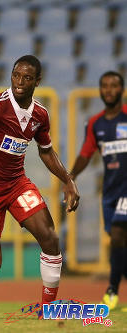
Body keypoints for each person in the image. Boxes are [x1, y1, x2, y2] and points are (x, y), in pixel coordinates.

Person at [0, 55, 80, 310]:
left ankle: (48, 309)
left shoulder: (40, 114)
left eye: (27, 77)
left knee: (50, 238)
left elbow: (45, 151)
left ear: (37, 81)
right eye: (16, 75)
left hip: (16, 184)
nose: (19, 82)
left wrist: (69, 180)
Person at [69, 71, 127, 310]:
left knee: (117, 234)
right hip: (110, 192)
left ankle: (112, 288)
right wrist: (69, 178)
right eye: (104, 86)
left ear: (122, 89)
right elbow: (86, 154)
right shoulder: (95, 123)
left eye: (114, 85)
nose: (109, 90)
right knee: (119, 243)